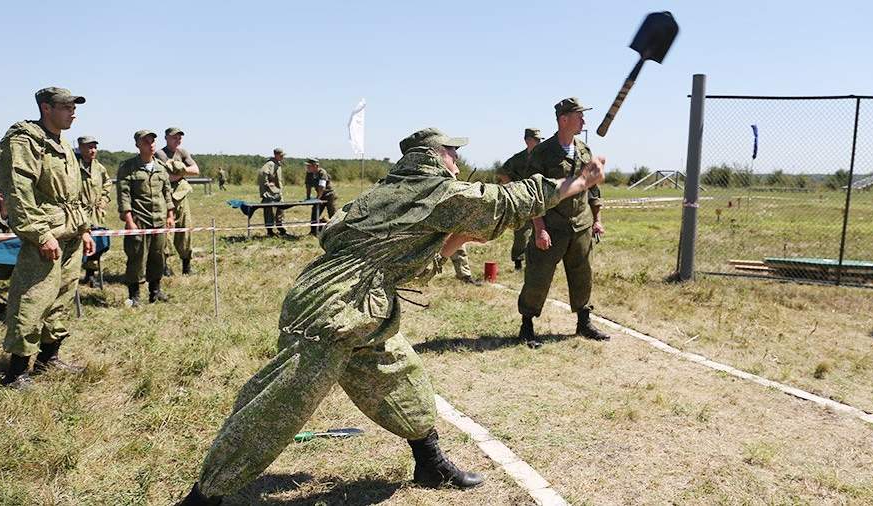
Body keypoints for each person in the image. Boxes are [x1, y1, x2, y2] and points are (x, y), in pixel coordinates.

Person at [176, 127, 605, 504]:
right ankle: (205, 495)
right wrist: (577, 182)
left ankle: (430, 463)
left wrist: (456, 242)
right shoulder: (432, 188)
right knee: (278, 404)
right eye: (453, 152)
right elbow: (503, 200)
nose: (458, 160)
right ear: (436, 156)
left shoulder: (393, 190)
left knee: (403, 377)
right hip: (332, 308)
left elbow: (404, 257)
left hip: (362, 305)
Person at [0, 87, 95, 389]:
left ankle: (47, 359)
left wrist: (84, 229)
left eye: (74, 107)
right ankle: (15, 373)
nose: (73, 112)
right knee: (32, 300)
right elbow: (19, 194)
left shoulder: (61, 144)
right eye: (66, 107)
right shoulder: (23, 141)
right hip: (46, 237)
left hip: (70, 234)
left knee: (61, 298)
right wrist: (40, 234)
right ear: (46, 108)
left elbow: (73, 195)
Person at [517, 98, 611, 349]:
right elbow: (532, 194)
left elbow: (593, 189)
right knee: (538, 275)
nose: (584, 120)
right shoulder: (542, 153)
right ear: (564, 119)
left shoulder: (584, 150)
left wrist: (597, 220)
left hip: (581, 223)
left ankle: (584, 321)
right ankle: (527, 326)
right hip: (552, 225)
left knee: (583, 274)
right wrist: (540, 228)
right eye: (579, 116)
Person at [117, 130, 175, 306]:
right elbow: (124, 196)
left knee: (158, 257)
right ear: (137, 145)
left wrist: (170, 215)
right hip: (139, 220)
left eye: (152, 141)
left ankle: (155, 292)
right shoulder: (128, 167)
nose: (150, 144)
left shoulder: (160, 168)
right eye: (146, 142)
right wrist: (129, 221)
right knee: (136, 257)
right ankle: (134, 296)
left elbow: (167, 193)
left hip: (159, 220)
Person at [155, 127, 199, 275]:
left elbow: (196, 170)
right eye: (174, 137)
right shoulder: (160, 154)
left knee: (185, 230)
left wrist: (179, 172)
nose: (178, 140)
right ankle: (164, 266)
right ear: (166, 138)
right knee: (166, 231)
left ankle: (186, 265)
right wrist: (183, 172)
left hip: (181, 196)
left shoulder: (183, 152)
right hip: (166, 196)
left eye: (180, 137)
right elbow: (167, 176)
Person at [498, 128, 543, 271]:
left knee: (541, 230)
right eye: (536, 139)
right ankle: (518, 261)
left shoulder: (543, 157)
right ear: (528, 140)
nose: (539, 142)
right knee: (522, 233)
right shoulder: (518, 159)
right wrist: (512, 189)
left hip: (540, 200)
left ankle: (538, 261)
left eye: (540, 140)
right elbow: (502, 172)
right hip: (523, 201)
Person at [77, 136, 111, 288]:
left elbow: (108, 183)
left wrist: (104, 199)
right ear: (81, 148)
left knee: (98, 244)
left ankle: (90, 275)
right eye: (89, 147)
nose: (93, 151)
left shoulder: (99, 168)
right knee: (78, 245)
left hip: (96, 214)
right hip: (79, 213)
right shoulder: (72, 166)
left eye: (94, 147)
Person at [257, 148, 287, 236]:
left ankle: (281, 229)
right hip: (270, 194)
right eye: (281, 155)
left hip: (277, 193)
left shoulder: (277, 164)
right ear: (276, 155)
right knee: (269, 211)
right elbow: (262, 173)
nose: (282, 157)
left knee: (280, 211)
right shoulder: (270, 164)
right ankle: (270, 231)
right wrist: (267, 185)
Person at [304, 158, 337, 235]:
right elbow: (308, 186)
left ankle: (334, 232)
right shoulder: (309, 173)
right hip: (320, 195)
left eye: (310, 166)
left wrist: (318, 198)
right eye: (307, 166)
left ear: (316, 166)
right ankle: (313, 231)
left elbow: (322, 187)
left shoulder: (322, 172)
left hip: (329, 195)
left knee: (333, 214)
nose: (308, 167)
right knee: (315, 212)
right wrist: (308, 197)